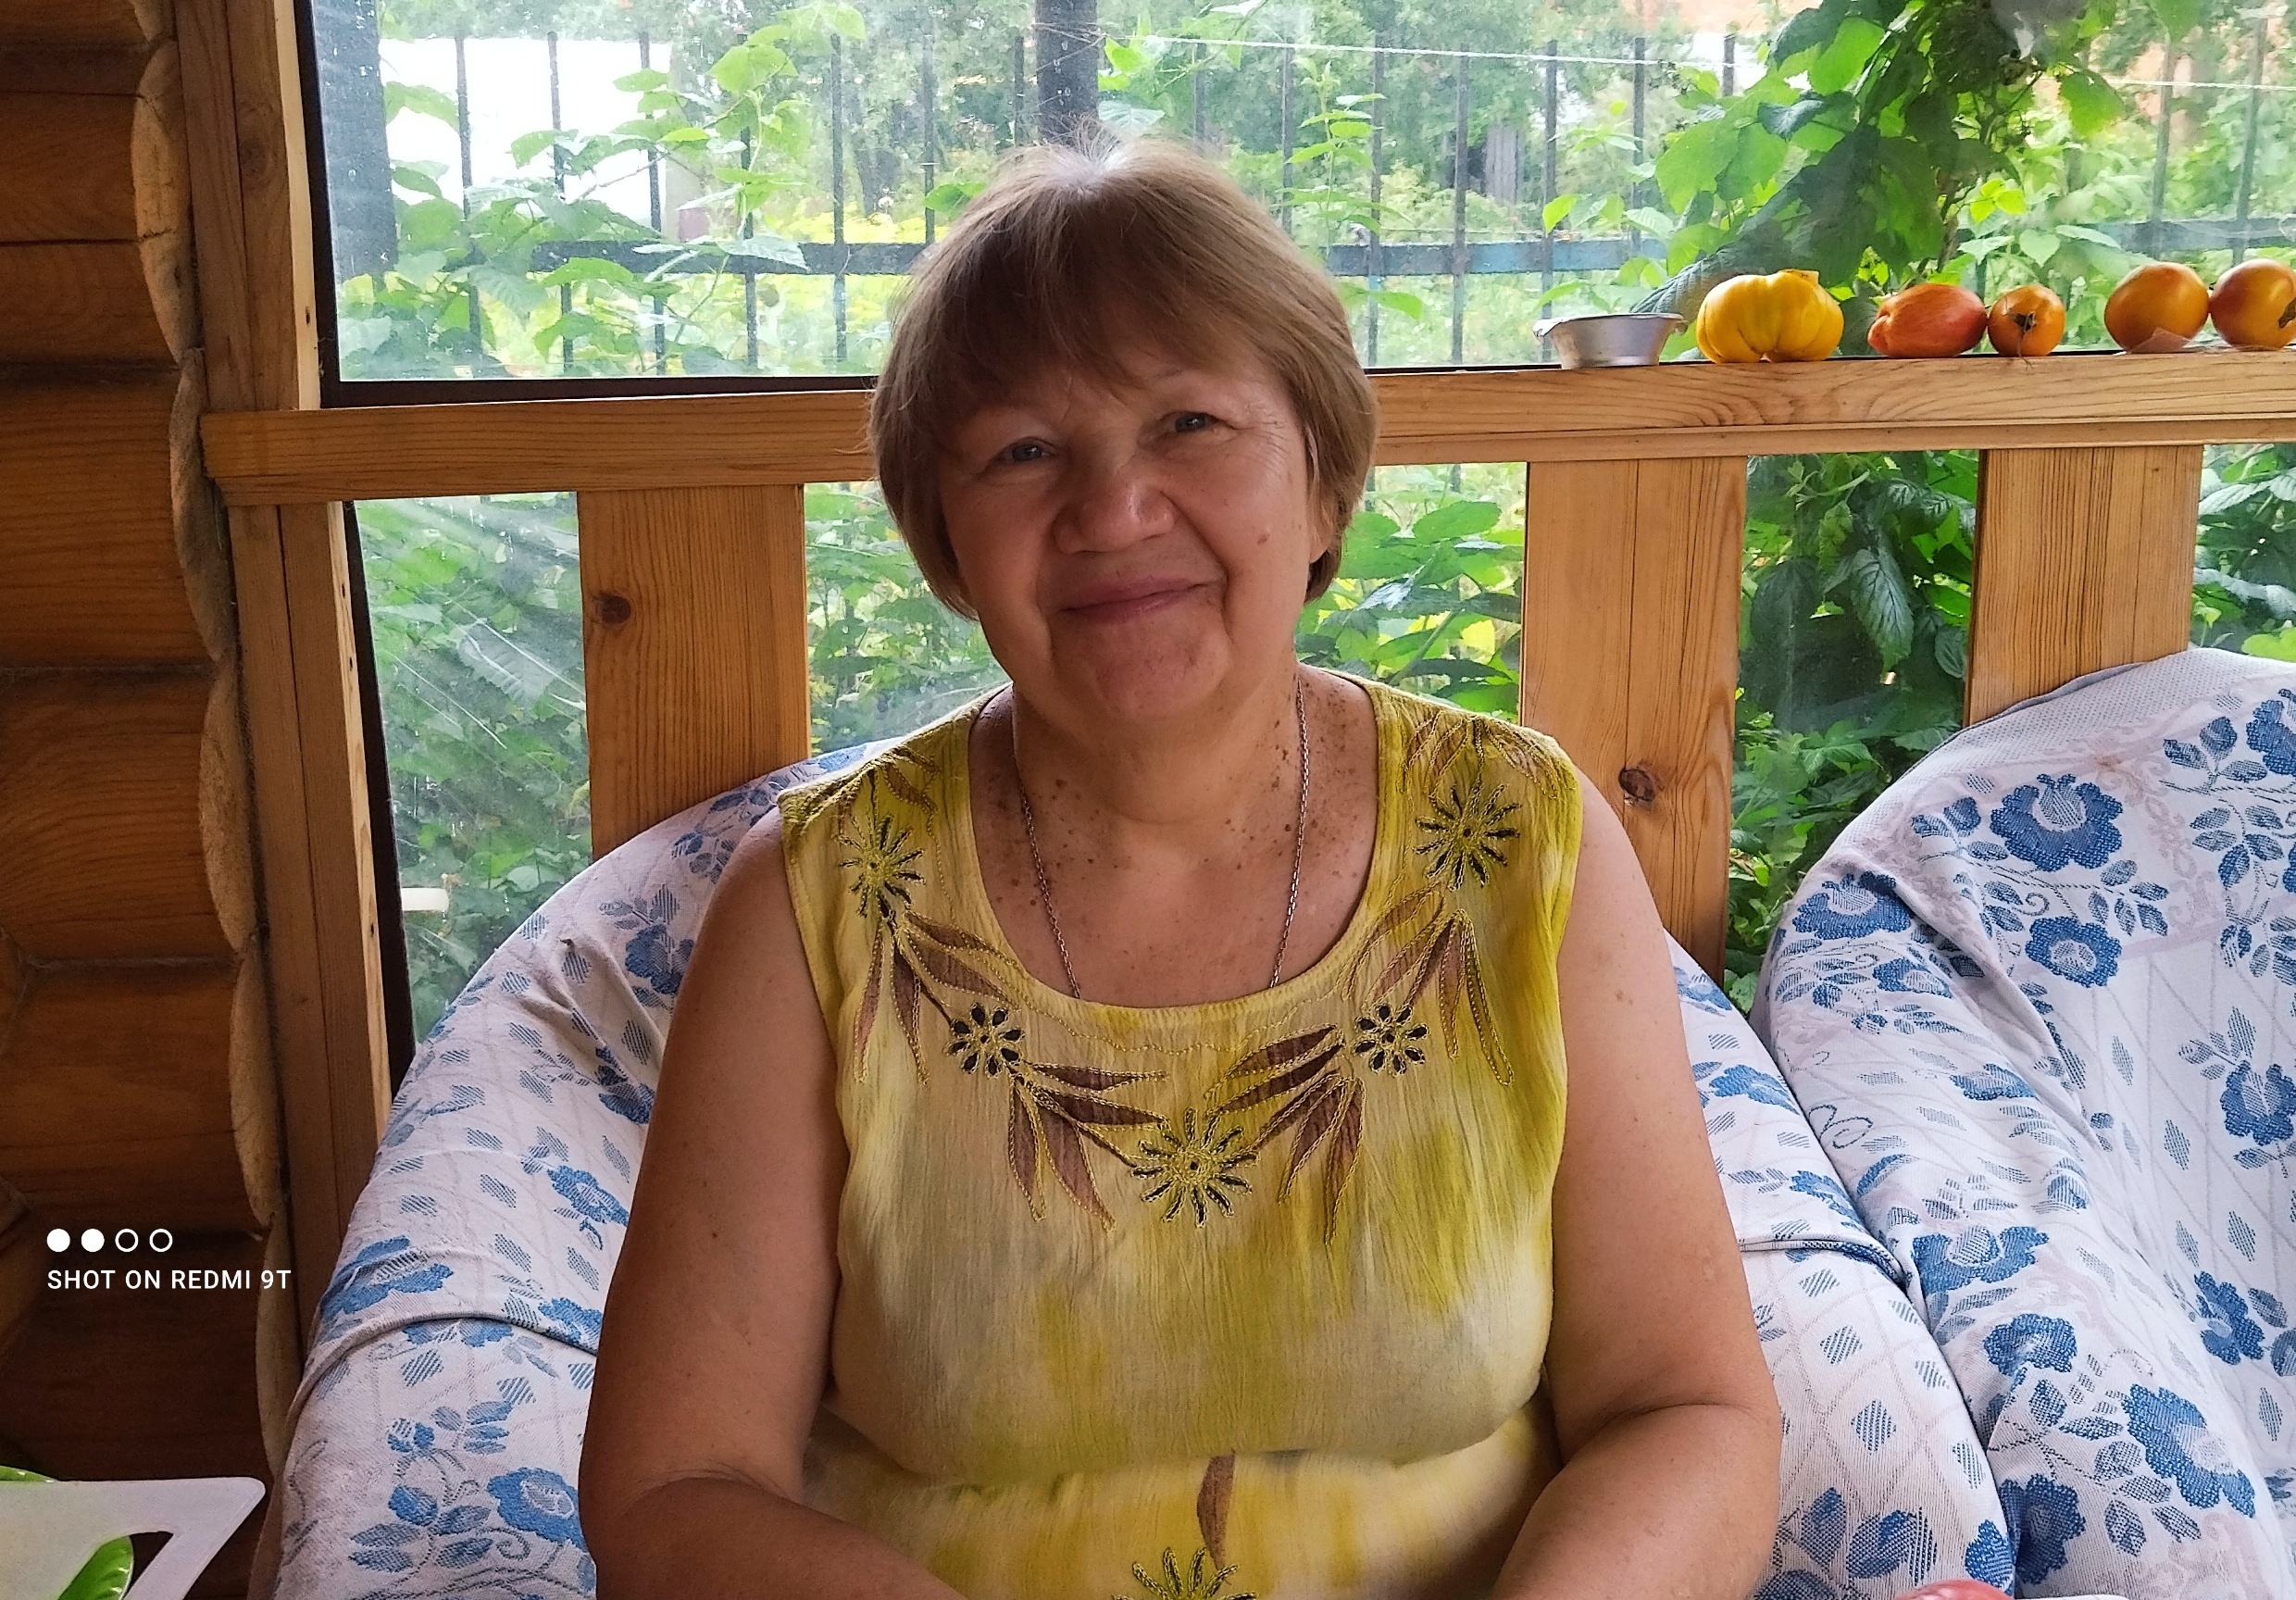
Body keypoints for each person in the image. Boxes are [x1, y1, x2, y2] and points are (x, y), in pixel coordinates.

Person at [581, 135, 1779, 1599]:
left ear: (1324, 483)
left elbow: (1687, 1411)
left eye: (1191, 423)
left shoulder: (1523, 843)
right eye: (1024, 451)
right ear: (946, 540)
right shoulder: (814, 906)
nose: (1113, 510)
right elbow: (675, 1487)